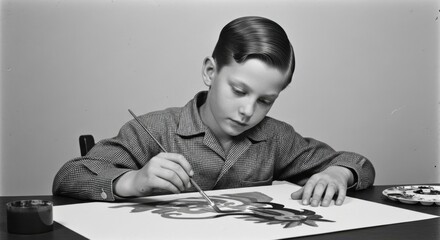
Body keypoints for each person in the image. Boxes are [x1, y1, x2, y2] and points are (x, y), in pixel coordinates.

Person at [53, 16, 375, 207]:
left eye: (266, 100)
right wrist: (132, 181)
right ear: (210, 71)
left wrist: (337, 174)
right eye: (239, 91)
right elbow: (69, 176)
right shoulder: (157, 128)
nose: (248, 111)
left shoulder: (276, 137)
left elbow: (357, 163)